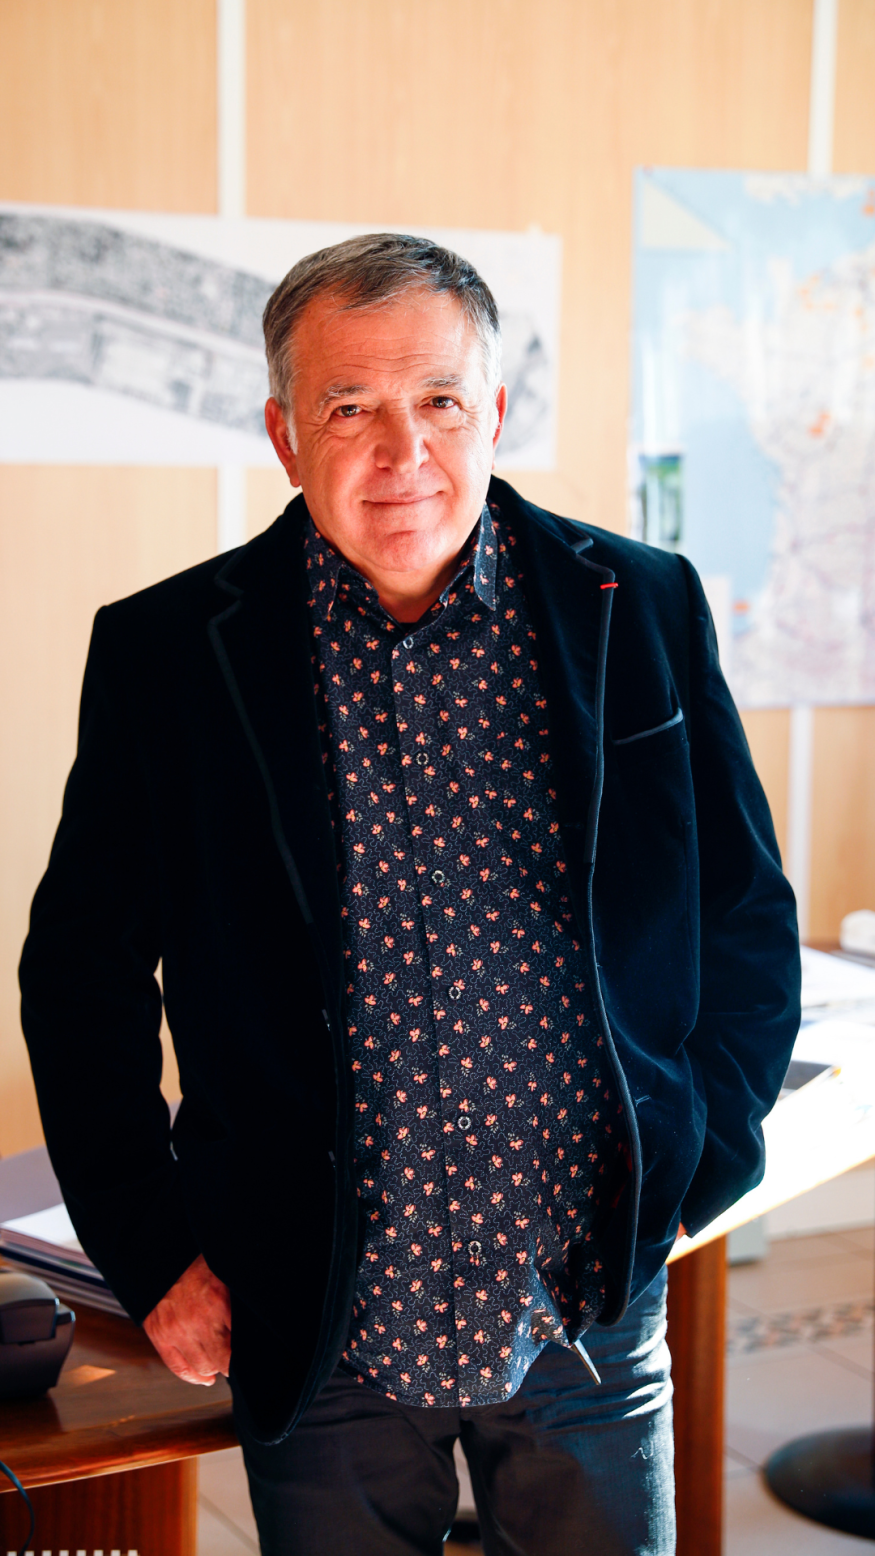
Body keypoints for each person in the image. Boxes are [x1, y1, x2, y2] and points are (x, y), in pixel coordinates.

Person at [19, 233, 800, 1556]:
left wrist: (698, 1156)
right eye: (350, 408)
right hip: (322, 1318)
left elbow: (741, 911)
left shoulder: (641, 606)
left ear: (492, 411)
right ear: (284, 435)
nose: (404, 450)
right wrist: (151, 1254)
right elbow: (78, 978)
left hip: (587, 1308)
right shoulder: (168, 654)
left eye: (439, 399)